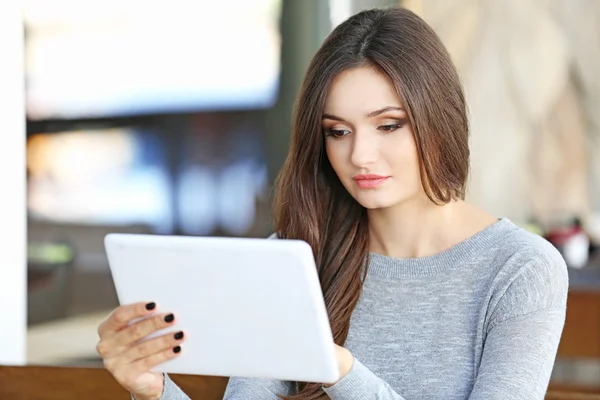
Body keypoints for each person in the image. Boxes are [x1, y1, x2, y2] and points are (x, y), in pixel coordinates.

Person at [96, 6, 569, 400]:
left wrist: (340, 371)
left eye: (388, 125)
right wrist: (153, 389)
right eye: (337, 131)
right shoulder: (293, 255)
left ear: (438, 117)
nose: (359, 155)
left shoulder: (520, 270)